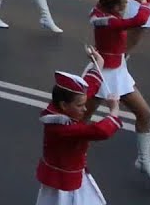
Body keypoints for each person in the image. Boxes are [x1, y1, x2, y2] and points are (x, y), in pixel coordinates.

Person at [88, 0, 150, 184]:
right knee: (81, 120)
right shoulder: (105, 21)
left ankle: (144, 161)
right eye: (123, 4)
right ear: (113, 6)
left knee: (145, 113)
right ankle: (75, 161)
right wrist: (144, 3)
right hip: (102, 73)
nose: (125, 7)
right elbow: (139, 19)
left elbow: (132, 16)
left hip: (119, 72)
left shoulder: (108, 12)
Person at [34, 55, 121, 205]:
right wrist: (114, 111)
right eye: (80, 106)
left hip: (69, 175)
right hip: (63, 183)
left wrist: (99, 64)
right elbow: (100, 131)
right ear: (64, 105)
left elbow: (89, 87)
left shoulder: (61, 108)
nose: (85, 109)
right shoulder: (62, 128)